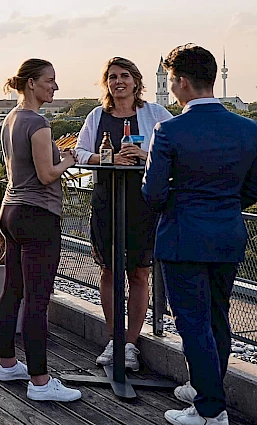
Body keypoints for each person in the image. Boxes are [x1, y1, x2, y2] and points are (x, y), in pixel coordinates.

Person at [144, 45, 257, 425]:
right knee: (217, 318)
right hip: (227, 232)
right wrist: (223, 207)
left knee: (192, 322)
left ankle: (210, 410)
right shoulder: (249, 128)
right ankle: (205, 389)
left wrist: (179, 205)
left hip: (182, 235)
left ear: (179, 81)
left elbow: (153, 192)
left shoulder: (169, 129)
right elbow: (256, 188)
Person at [74, 57, 174, 372]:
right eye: (113, 77)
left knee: (140, 273)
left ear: (136, 81)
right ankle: (114, 339)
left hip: (142, 205)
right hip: (107, 202)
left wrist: (147, 156)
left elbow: (175, 151)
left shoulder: (155, 114)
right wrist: (107, 159)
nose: (119, 82)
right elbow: (78, 152)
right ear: (107, 83)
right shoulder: (97, 116)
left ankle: (130, 343)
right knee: (108, 270)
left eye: (124, 76)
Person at [0, 59, 82, 403]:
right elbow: (47, 175)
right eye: (50, 80)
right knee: (37, 299)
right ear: (31, 83)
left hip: (10, 211)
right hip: (38, 215)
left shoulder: (10, 119)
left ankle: (7, 363)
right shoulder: (38, 122)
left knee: (13, 290)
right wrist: (70, 160)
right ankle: (41, 381)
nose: (55, 87)